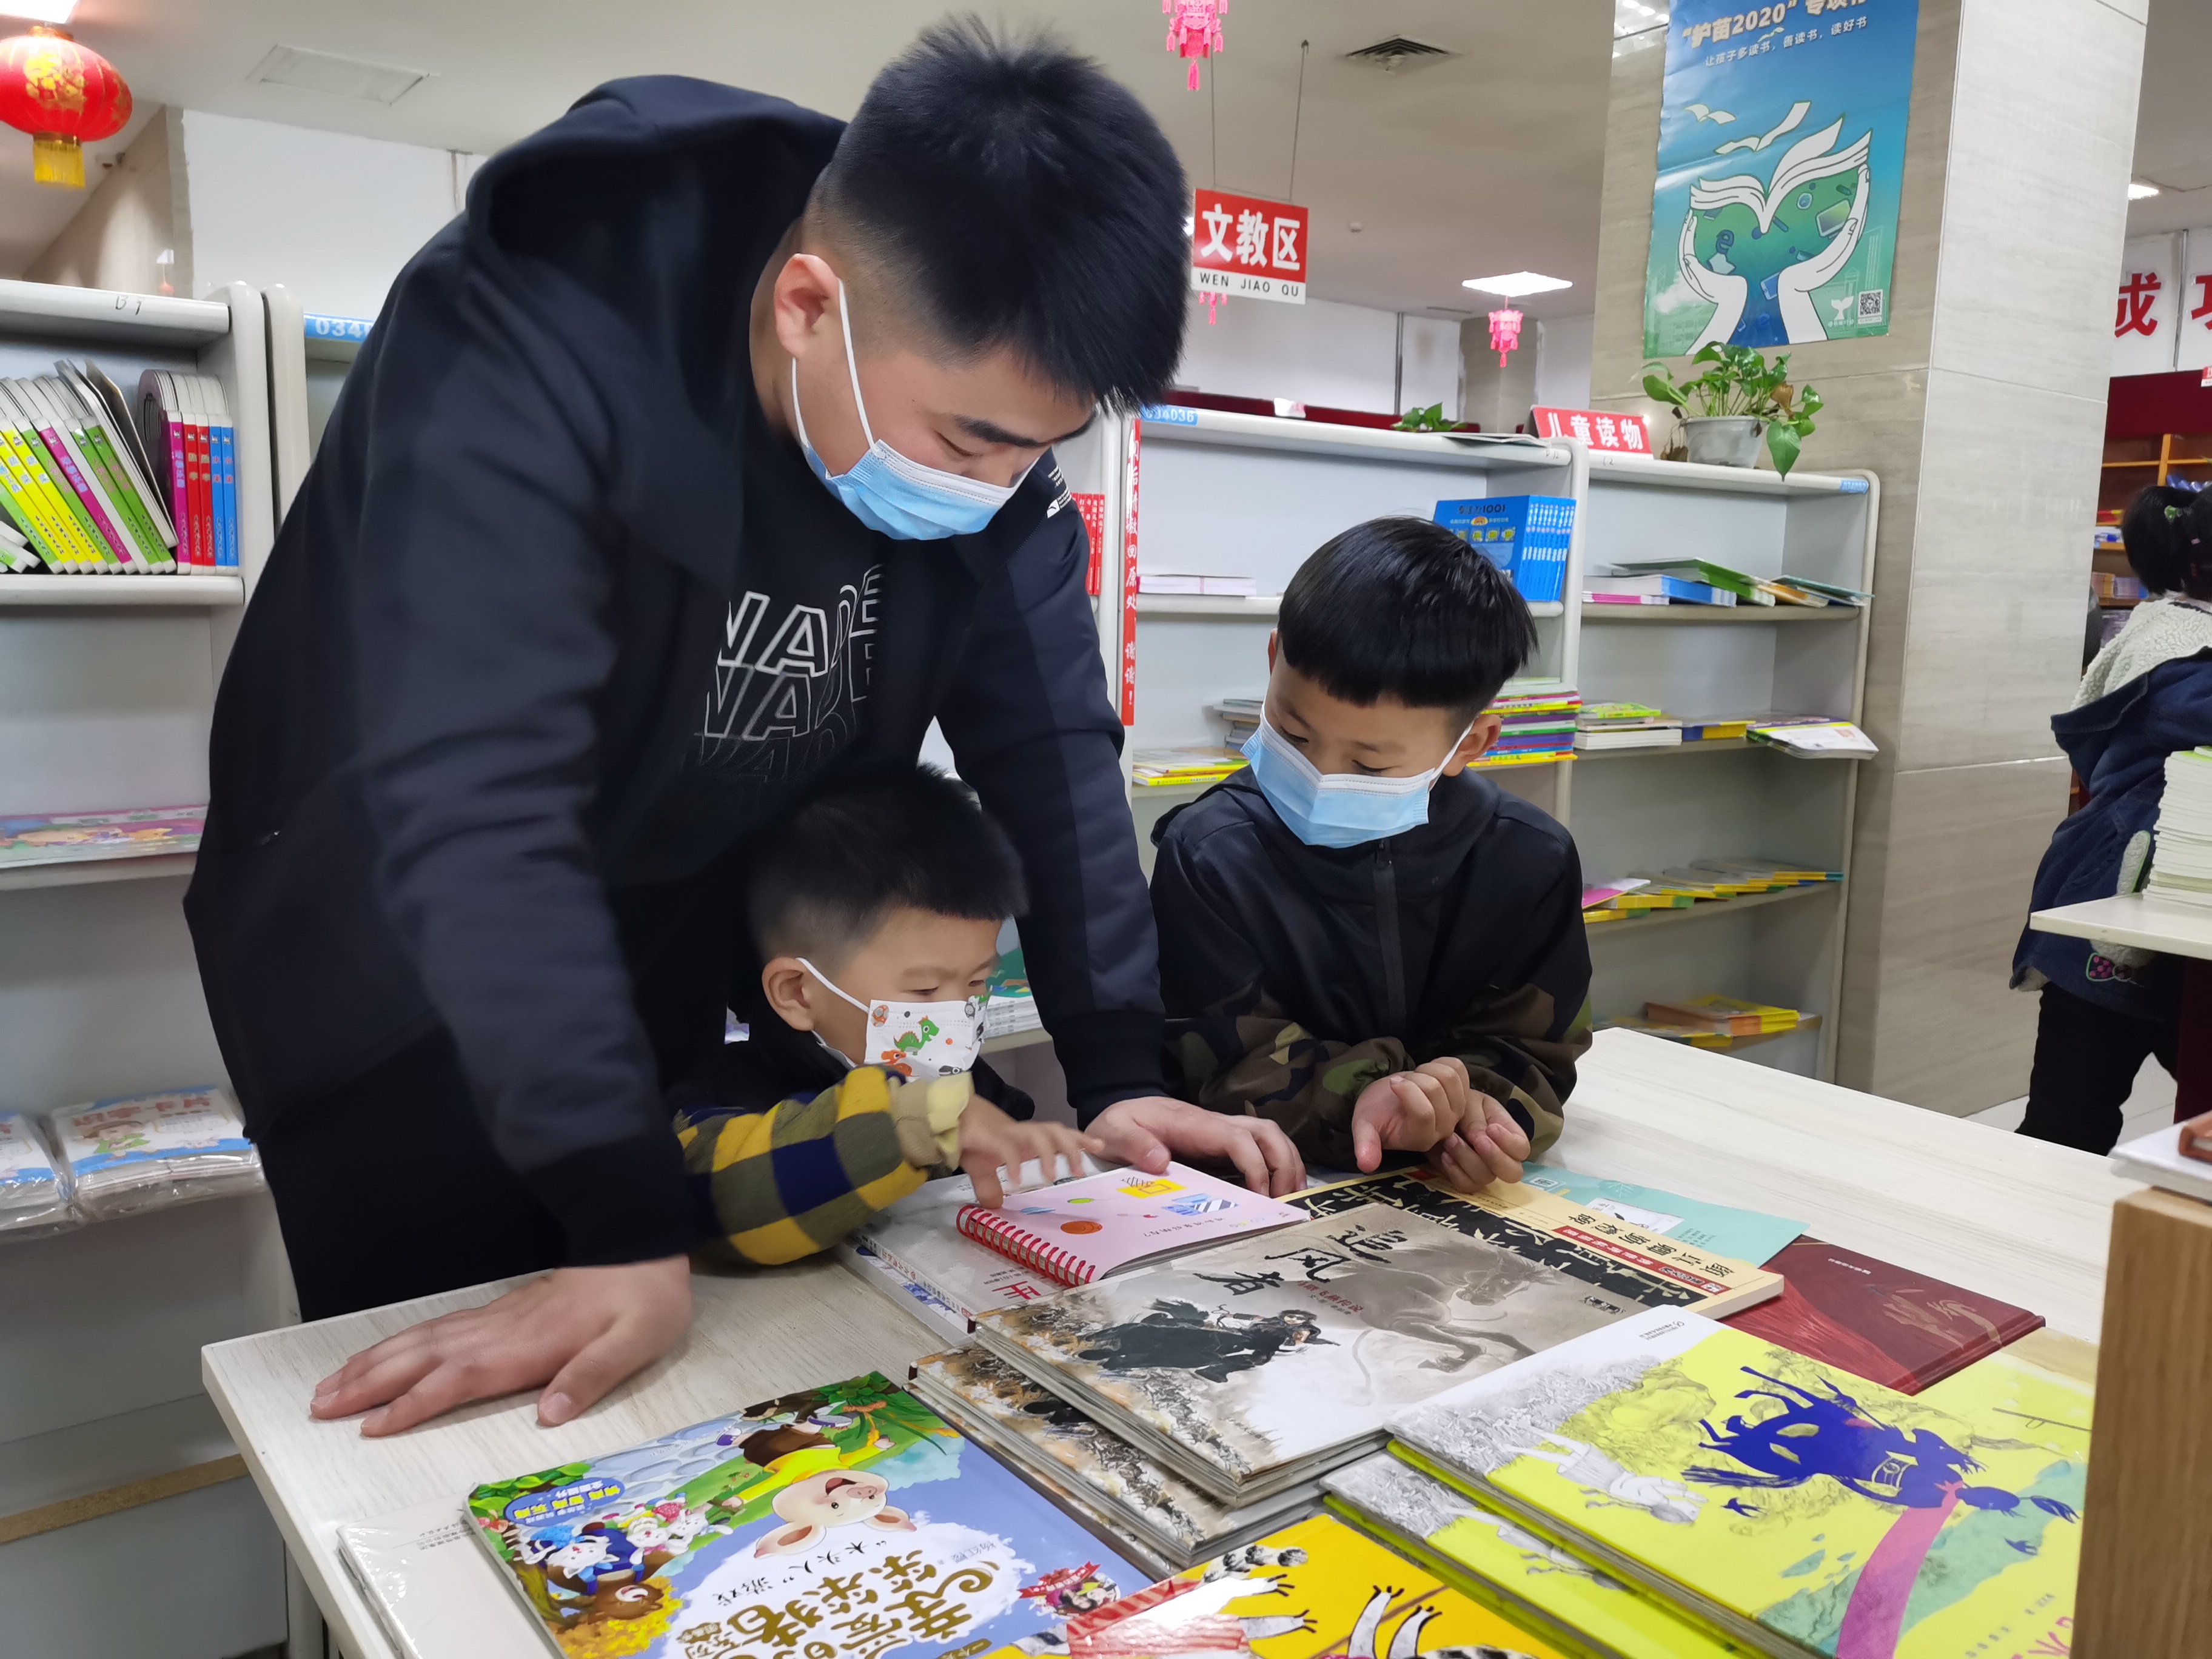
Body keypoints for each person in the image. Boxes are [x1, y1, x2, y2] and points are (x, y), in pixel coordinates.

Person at [189, 25, 1298, 1439]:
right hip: (396, 948)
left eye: (1043, 447)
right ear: (805, 306)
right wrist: (615, 1215)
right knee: (471, 1383)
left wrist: (1122, 1070)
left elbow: (1056, 753)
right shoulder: (530, 323)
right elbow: (476, 793)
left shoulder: (992, 461)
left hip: (672, 916)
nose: (1004, 484)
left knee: (710, 1338)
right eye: (969, 440)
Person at [1148, 517, 1592, 1189]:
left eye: (1369, 765)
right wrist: (1368, 1100)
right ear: (1273, 659)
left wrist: (1477, 1115)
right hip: (1271, 1184)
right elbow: (1219, 1059)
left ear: (1470, 745)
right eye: (1294, 734)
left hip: (1443, 1193)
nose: (1321, 776)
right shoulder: (1213, 853)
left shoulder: (1528, 860)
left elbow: (1533, 1051)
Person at [671, 767, 1098, 1262]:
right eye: (925, 989)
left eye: (977, 982)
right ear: (798, 993)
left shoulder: (970, 1082)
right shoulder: (720, 1094)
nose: (958, 1015)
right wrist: (918, 1123)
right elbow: (718, 1204)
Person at [2014, 484, 2212, 1151]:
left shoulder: (2172, 627)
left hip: (2170, 903)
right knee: (2068, 1121)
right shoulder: (2183, 656)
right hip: (2117, 897)